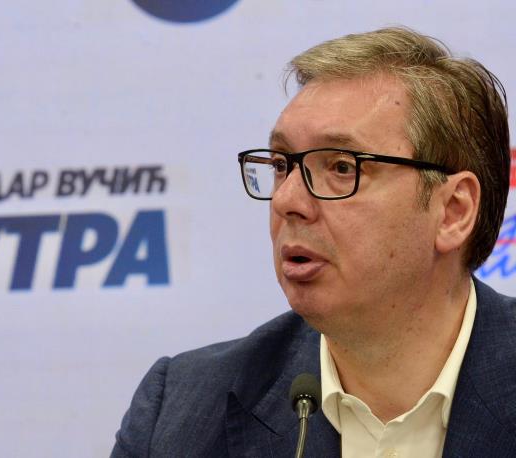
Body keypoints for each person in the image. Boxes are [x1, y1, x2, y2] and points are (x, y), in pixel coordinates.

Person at [111, 27, 516, 457]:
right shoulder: (179, 416)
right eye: (281, 165)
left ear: (453, 211)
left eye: (342, 167)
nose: (287, 200)